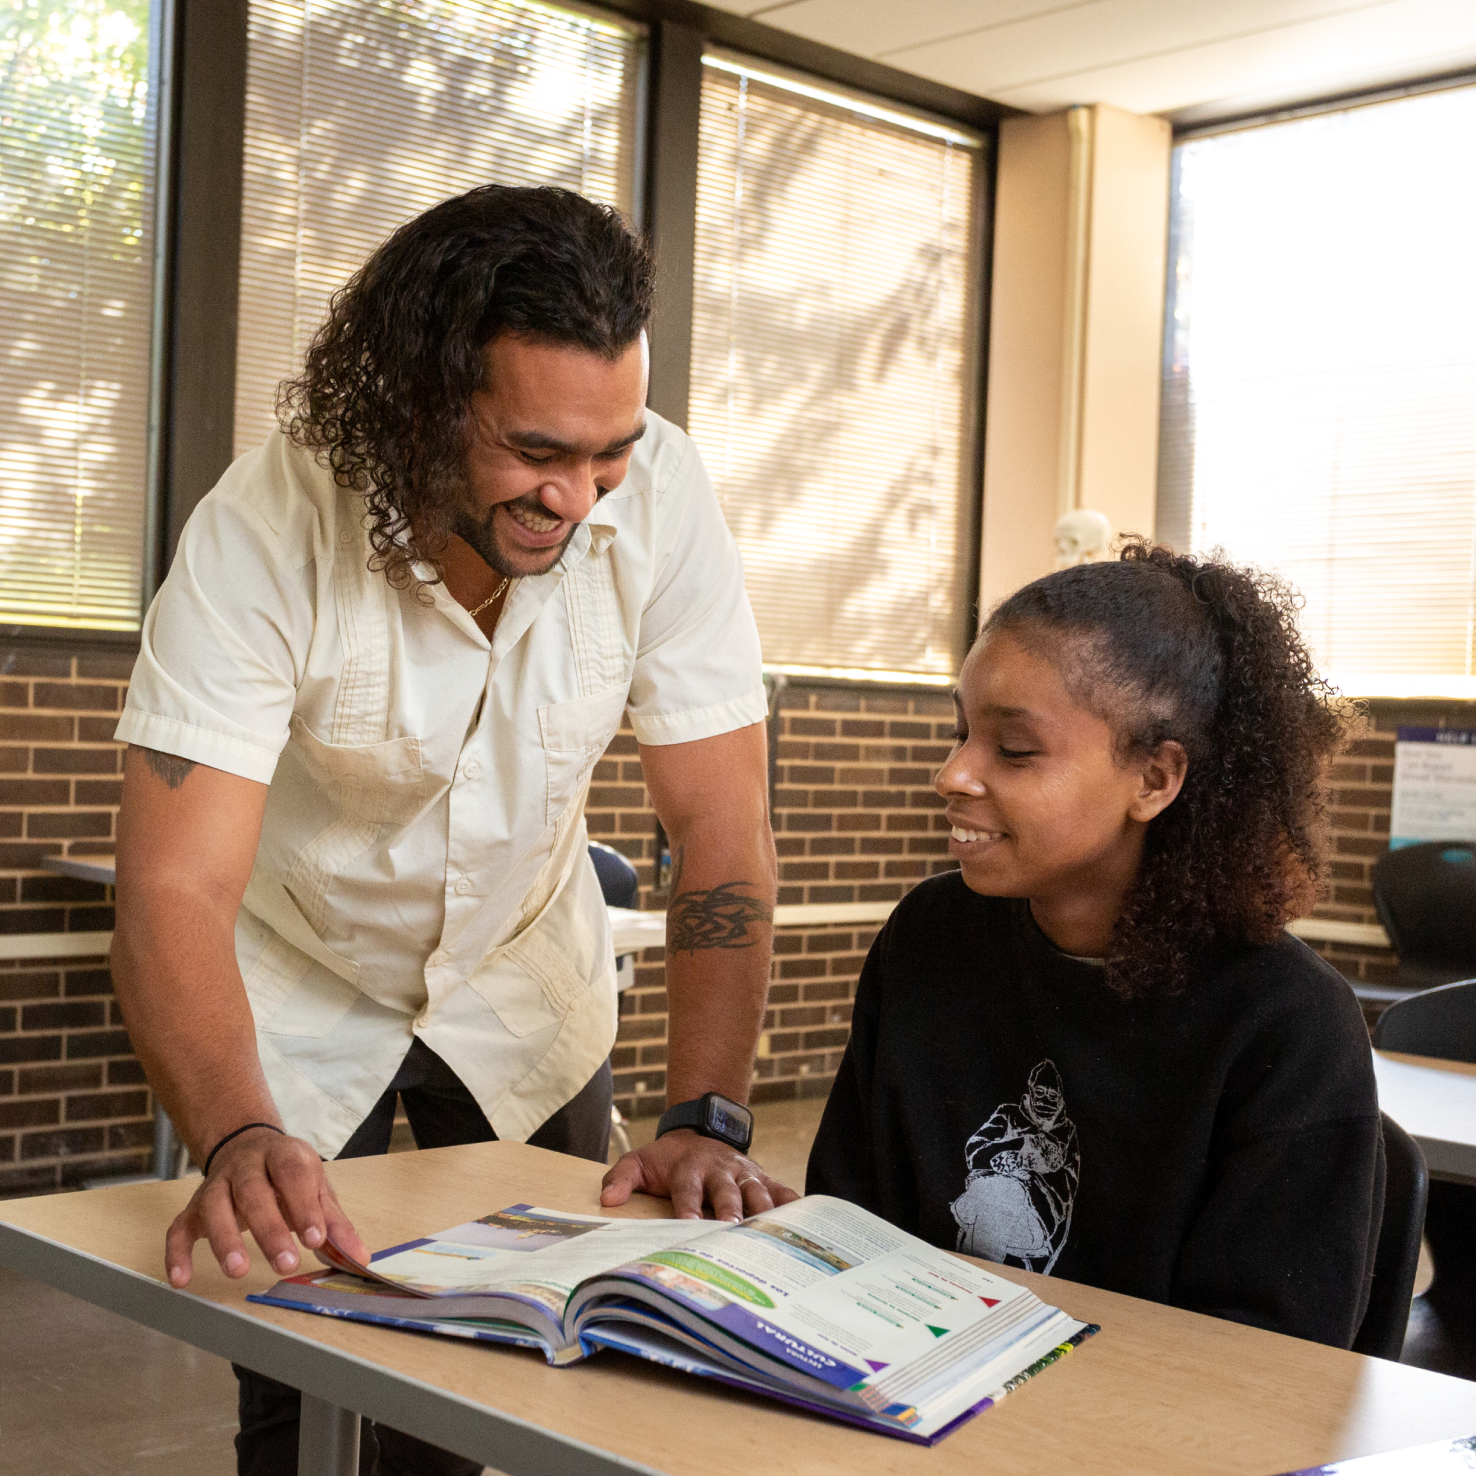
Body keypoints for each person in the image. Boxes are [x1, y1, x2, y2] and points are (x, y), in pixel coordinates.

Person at [110, 185, 795, 1475]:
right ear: (419, 404)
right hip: (301, 992)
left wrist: (707, 1108)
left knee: (519, 1367)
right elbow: (171, 888)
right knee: (304, 1371)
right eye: (538, 452)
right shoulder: (265, 531)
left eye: (610, 454)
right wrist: (241, 1130)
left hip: (525, 984)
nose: (581, 498)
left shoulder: (657, 497)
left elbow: (718, 827)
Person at [806, 540, 1386, 1348]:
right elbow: (844, 1223)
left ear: (1154, 779)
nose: (953, 774)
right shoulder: (929, 939)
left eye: (1013, 749)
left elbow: (1263, 1365)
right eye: (961, 731)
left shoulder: (1285, 1025)